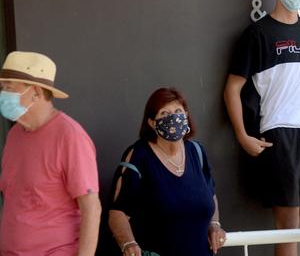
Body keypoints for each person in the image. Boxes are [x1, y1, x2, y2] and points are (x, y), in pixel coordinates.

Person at [224, 0, 300, 256]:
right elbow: (232, 89)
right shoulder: (257, 33)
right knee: (289, 227)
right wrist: (243, 136)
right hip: (279, 133)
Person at [0, 51, 101, 255]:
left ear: (36, 91)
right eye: (2, 88)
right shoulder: (14, 135)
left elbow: (91, 207)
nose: (3, 94)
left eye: (9, 88)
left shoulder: (70, 136)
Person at [108, 87, 226, 256]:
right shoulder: (138, 156)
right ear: (151, 122)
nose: (173, 118)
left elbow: (210, 195)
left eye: (178, 111)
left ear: (186, 115)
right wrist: (128, 244)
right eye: (164, 113)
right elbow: (118, 211)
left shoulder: (197, 152)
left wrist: (215, 224)